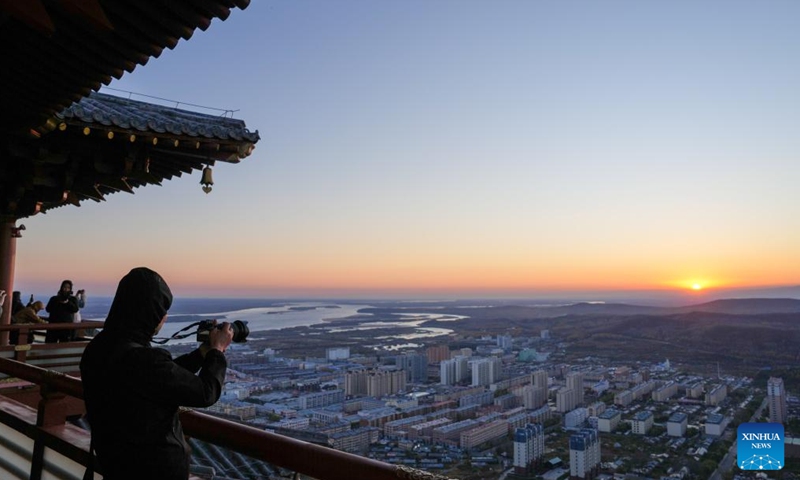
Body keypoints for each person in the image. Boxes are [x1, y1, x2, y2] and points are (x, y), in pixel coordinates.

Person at [80, 267, 232, 480]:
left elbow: (160, 378)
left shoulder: (100, 348)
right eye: (161, 309)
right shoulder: (141, 360)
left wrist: (201, 354)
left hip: (116, 465)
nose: (164, 317)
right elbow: (206, 392)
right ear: (149, 311)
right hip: (154, 470)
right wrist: (217, 352)